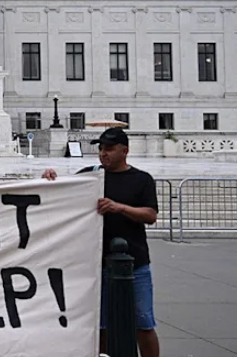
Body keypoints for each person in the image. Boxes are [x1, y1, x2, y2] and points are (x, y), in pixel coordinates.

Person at [42, 128, 159, 357]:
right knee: (101, 326)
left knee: (143, 322)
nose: (103, 153)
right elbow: (63, 191)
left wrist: (119, 208)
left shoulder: (142, 179)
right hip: (96, 264)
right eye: (101, 148)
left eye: (109, 149)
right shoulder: (91, 175)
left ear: (125, 151)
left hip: (136, 263)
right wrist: (50, 178)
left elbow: (150, 215)